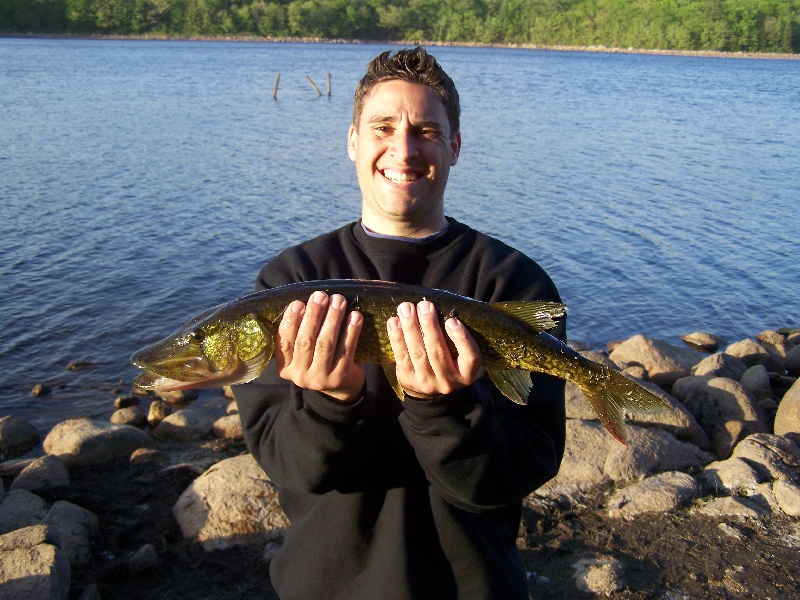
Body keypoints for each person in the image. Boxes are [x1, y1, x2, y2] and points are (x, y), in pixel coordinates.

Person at [234, 47, 566, 600]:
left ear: (454, 147)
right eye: (383, 127)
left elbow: (511, 477)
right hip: (325, 587)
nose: (404, 149)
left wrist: (445, 410)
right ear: (352, 142)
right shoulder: (290, 281)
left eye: (427, 131)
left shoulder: (513, 282)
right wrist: (330, 403)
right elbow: (292, 469)